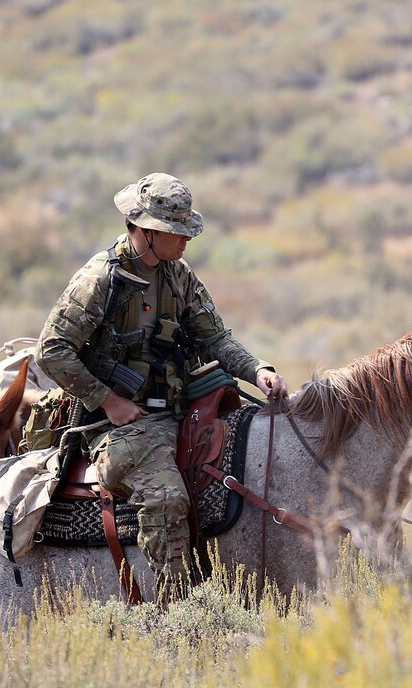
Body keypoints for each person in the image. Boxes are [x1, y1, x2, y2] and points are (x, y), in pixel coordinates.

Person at [36, 172, 287, 597]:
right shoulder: (98, 281)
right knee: (168, 499)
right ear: (148, 232)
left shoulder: (178, 275)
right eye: (176, 232)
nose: (185, 240)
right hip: (116, 425)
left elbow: (216, 338)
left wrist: (257, 370)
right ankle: (174, 606)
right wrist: (108, 400)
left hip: (176, 407)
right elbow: (52, 350)